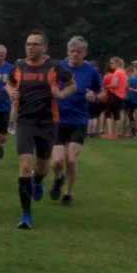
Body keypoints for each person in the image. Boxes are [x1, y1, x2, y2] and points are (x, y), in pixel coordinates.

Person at [5, 30, 76, 229]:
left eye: (35, 44)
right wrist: (12, 93)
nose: (30, 47)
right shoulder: (19, 66)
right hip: (24, 121)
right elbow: (9, 85)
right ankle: (26, 215)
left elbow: (72, 85)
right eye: (28, 43)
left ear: (44, 47)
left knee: (42, 167)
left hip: (47, 122)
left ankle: (38, 180)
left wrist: (60, 94)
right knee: (25, 166)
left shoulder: (54, 67)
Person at [49, 35, 104, 207]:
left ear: (84, 53)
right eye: (72, 51)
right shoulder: (58, 67)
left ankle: (68, 194)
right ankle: (58, 178)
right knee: (57, 161)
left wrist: (95, 96)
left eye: (78, 52)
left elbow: (103, 93)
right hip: (58, 119)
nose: (75, 55)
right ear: (67, 52)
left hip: (79, 120)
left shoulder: (90, 71)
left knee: (71, 160)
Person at [102, 56, 129, 138]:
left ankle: (110, 133)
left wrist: (107, 86)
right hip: (122, 95)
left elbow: (114, 84)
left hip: (115, 95)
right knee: (116, 114)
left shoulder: (117, 72)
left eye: (112, 63)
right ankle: (115, 133)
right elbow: (126, 85)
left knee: (108, 112)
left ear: (117, 63)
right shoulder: (124, 72)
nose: (111, 65)